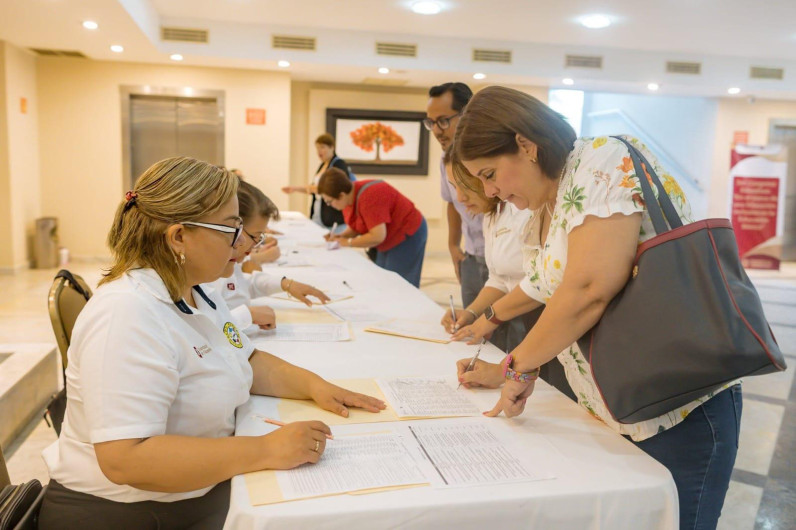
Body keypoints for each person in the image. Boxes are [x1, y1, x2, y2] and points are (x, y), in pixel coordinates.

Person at [449, 86, 741, 530]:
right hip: (618, 402)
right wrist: (493, 329)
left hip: (677, 405)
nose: (489, 190)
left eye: (490, 174)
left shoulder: (602, 160)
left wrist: (517, 367)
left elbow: (587, 288)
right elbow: (546, 284)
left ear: (526, 146)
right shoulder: (550, 200)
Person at [38, 157, 385, 529]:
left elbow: (245, 358)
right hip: (129, 510)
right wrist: (266, 449)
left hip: (183, 491)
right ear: (179, 237)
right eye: (230, 229)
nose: (241, 243)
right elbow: (126, 459)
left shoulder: (196, 290)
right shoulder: (127, 314)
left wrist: (316, 386)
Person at [440, 149, 575, 401]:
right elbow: (499, 278)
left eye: (464, 185)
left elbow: (538, 281)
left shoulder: (525, 207)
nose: (458, 197)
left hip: (551, 322)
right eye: (452, 187)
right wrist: (470, 314)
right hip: (527, 322)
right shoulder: (492, 214)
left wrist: (489, 317)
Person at [209, 179, 331, 333]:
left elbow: (237, 286)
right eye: (255, 236)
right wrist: (247, 315)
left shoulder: (225, 262)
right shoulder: (208, 269)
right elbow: (200, 330)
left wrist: (285, 284)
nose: (256, 246)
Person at [426, 82, 487, 308]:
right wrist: (453, 246)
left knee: (507, 333)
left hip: (503, 259)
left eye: (442, 121)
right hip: (471, 256)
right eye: (431, 123)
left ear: (466, 114)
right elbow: (452, 202)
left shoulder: (489, 158)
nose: (436, 130)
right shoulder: (446, 160)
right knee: (472, 327)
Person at [318, 168, 427, 288]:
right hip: (388, 237)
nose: (330, 205)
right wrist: (341, 236)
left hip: (407, 233)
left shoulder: (369, 198)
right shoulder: (349, 199)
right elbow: (359, 225)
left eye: (329, 202)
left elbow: (377, 236)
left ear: (341, 195)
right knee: (382, 278)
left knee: (399, 284)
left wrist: (348, 242)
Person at [281, 133, 352, 229]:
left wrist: (311, 188)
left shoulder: (339, 164)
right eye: (317, 148)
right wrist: (294, 189)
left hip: (333, 217)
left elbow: (330, 188)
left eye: (322, 147)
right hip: (319, 213)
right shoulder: (322, 165)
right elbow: (314, 188)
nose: (319, 151)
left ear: (332, 147)